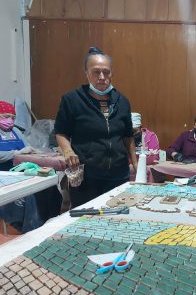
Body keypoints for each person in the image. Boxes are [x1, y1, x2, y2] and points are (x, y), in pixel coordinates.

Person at [55, 47, 137, 208]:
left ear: (111, 73)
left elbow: (128, 136)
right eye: (96, 72)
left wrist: (136, 164)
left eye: (106, 72)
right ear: (86, 73)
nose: (101, 77)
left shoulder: (122, 101)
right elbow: (61, 132)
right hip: (87, 177)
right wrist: (68, 151)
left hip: (118, 175)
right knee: (86, 220)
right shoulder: (72, 100)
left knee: (118, 219)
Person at [0, 101, 59, 233]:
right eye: (5, 116)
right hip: (5, 174)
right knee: (28, 194)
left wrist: (36, 152)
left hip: (21, 170)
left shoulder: (15, 130)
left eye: (13, 117)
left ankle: (51, 221)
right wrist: (15, 153)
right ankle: (31, 227)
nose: (10, 120)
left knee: (48, 186)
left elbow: (27, 147)